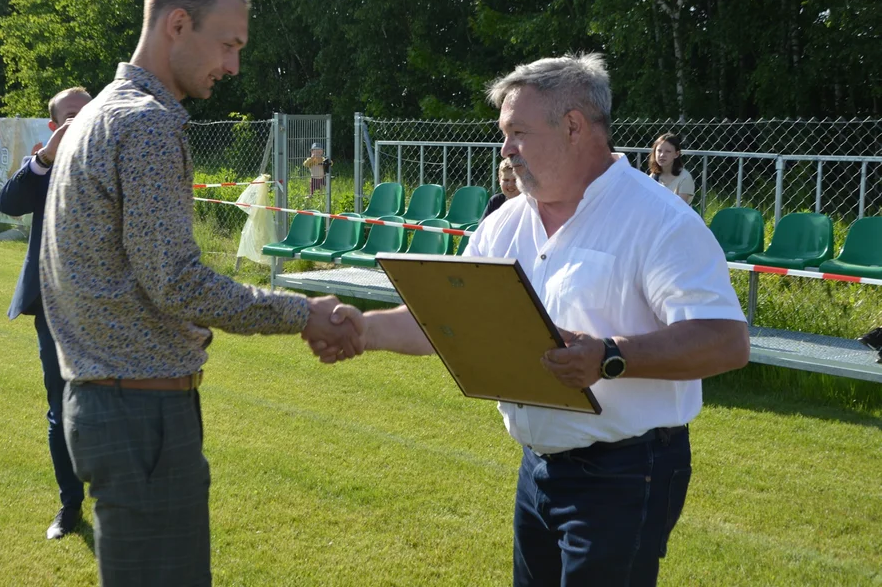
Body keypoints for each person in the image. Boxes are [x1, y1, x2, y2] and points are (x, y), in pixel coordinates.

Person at [314, 54, 751, 587]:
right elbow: (450, 318)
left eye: (518, 131)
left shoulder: (657, 220)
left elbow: (725, 341)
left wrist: (610, 356)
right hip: (538, 468)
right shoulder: (504, 224)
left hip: (626, 473)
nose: (505, 149)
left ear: (573, 127)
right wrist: (363, 329)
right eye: (504, 133)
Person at [39, 0, 361, 585]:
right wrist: (304, 312)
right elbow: (177, 282)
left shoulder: (99, 113)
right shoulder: (147, 124)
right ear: (177, 25)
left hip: (107, 404)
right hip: (141, 418)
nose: (234, 66)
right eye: (228, 45)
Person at [0, 87, 91, 540]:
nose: (82, 121)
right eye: (72, 116)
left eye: (88, 113)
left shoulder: (113, 156)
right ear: (54, 127)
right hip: (53, 309)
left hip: (108, 310)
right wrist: (46, 158)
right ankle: (70, 505)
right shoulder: (42, 168)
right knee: (61, 411)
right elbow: (8, 203)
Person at [648, 133, 694, 205]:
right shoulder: (653, 177)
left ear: (676, 154)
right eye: (659, 151)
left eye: (668, 151)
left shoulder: (685, 178)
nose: (662, 155)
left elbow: (680, 207)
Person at [480, 157, 521, 222]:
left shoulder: (529, 204)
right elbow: (483, 228)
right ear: (499, 180)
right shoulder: (495, 201)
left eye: (515, 180)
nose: (510, 185)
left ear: (524, 181)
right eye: (506, 180)